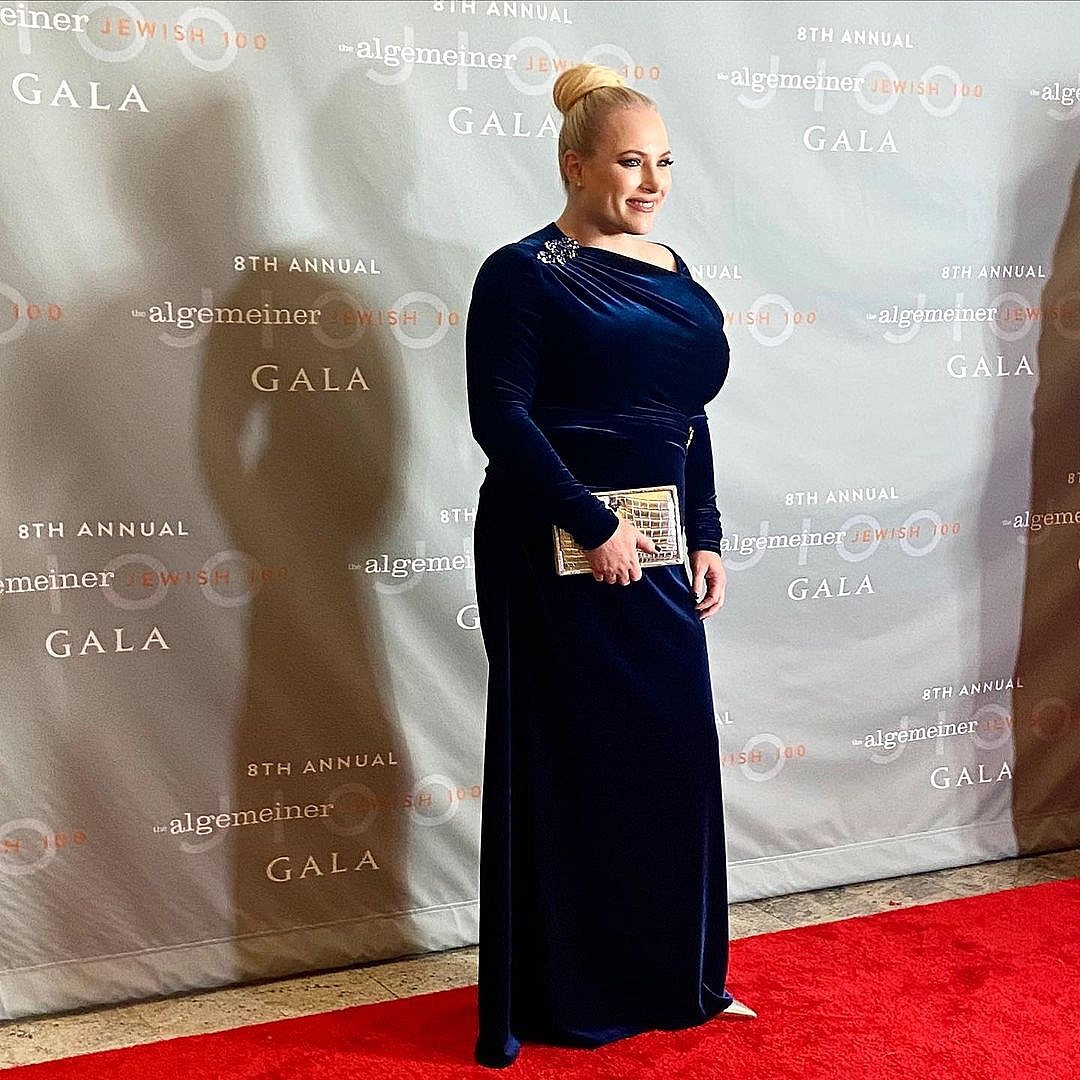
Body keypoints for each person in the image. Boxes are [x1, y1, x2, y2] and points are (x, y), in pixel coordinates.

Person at [465, 62, 751, 1070]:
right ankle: (570, 995)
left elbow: (686, 417)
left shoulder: (671, 268)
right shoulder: (521, 273)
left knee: (666, 756)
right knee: (571, 762)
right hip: (551, 543)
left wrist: (704, 528)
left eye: (664, 162)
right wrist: (589, 522)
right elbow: (499, 415)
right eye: (630, 161)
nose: (652, 181)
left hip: (658, 541)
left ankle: (676, 978)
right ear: (574, 163)